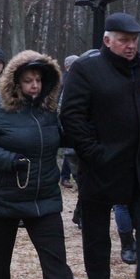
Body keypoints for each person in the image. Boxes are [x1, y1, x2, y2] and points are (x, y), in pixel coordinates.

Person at [60, 12, 140, 279]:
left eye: (134, 39)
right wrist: (94, 153)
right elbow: (71, 117)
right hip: (101, 166)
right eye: (124, 39)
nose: (131, 45)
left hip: (139, 166)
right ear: (107, 40)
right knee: (96, 230)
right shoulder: (86, 69)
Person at [0, 50, 81, 279]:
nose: (35, 86)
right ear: (15, 82)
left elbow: (64, 137)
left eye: (39, 80)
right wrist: (9, 160)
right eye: (29, 80)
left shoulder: (48, 112)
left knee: (54, 249)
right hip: (2, 192)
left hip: (43, 192)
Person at [59, 55, 79, 189]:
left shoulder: (79, 79)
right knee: (71, 151)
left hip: (75, 120)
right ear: (67, 67)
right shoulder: (64, 81)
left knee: (71, 151)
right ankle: (67, 177)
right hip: (67, 121)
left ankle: (65, 176)